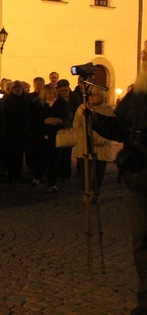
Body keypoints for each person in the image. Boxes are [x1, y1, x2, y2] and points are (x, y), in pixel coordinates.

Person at [90, 41, 147, 314]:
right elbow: (121, 128)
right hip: (140, 183)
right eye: (145, 53)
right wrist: (96, 120)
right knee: (142, 243)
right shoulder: (138, 94)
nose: (145, 57)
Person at [72, 87, 115, 199]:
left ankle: (96, 192)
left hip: (102, 147)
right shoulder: (81, 108)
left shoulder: (109, 110)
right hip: (84, 146)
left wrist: (101, 139)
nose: (91, 96)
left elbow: (112, 128)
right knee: (85, 173)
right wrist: (85, 138)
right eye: (90, 94)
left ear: (102, 96)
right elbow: (77, 125)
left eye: (94, 94)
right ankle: (86, 193)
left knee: (99, 173)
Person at [29, 84, 68, 192]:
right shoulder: (37, 104)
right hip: (41, 135)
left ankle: (52, 182)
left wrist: (59, 121)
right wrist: (43, 121)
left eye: (53, 93)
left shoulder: (61, 103)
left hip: (56, 135)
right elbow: (32, 119)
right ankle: (37, 177)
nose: (51, 95)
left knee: (54, 160)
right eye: (49, 93)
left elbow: (67, 117)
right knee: (40, 158)